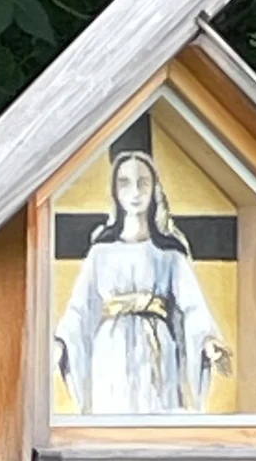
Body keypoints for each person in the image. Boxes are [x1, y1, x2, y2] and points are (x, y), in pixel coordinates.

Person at [55, 149, 233, 416]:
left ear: (154, 190)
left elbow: (192, 306)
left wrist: (208, 341)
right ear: (115, 191)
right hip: (111, 349)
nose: (135, 192)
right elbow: (79, 309)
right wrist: (62, 343)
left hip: (157, 350)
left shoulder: (169, 255)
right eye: (125, 183)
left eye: (143, 182)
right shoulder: (100, 253)